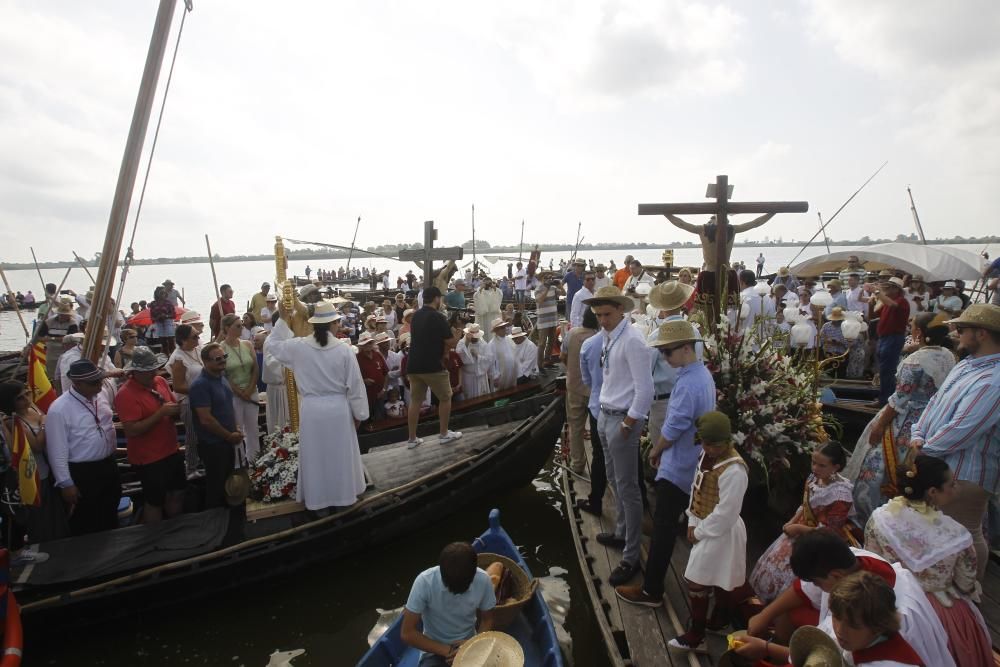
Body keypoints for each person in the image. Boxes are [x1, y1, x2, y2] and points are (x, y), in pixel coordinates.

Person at [746, 530, 955, 667]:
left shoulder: (879, 620)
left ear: (836, 576)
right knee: (786, 614)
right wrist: (765, 616)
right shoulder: (849, 561)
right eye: (835, 617)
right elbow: (803, 591)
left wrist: (765, 650)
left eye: (817, 583)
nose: (838, 628)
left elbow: (832, 653)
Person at [864, 455, 992, 665]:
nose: (956, 487)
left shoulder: (879, 519)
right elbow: (965, 583)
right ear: (933, 492)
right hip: (942, 612)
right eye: (952, 484)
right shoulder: (957, 534)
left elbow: (873, 563)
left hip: (893, 606)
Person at [909, 303, 1000, 581]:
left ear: (981, 334)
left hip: (967, 472)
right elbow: (935, 402)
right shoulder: (967, 365)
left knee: (965, 534)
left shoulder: (994, 379)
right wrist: (918, 434)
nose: (957, 334)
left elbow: (965, 428)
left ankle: (969, 594)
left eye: (962, 329)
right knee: (940, 533)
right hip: (941, 462)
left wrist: (925, 449)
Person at [844, 313, 955, 525]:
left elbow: (899, 400)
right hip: (935, 418)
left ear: (919, 333)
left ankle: (873, 518)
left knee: (878, 468)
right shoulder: (948, 356)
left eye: (912, 326)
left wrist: (879, 425)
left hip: (906, 422)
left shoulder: (913, 362)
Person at [265, 302, 369, 511]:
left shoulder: (298, 346)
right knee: (339, 455)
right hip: (338, 409)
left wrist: (284, 319)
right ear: (334, 324)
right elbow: (355, 386)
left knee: (316, 456)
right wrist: (360, 413)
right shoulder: (344, 350)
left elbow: (273, 344)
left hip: (312, 409)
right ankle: (343, 499)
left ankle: (318, 502)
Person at [583, 285, 653, 587]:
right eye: (598, 315)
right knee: (614, 479)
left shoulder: (634, 340)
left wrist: (628, 423)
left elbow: (646, 389)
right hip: (605, 414)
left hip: (621, 419)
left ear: (621, 310)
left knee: (628, 488)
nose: (602, 320)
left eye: (607, 314)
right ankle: (623, 532)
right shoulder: (611, 337)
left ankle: (630, 555)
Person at [662, 412, 749, 653]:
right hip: (703, 525)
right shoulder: (706, 456)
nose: (706, 448)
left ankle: (697, 634)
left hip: (722, 532)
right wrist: (691, 519)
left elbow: (727, 513)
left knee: (698, 579)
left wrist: (700, 531)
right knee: (718, 576)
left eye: (712, 444)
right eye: (704, 443)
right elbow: (696, 487)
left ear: (726, 442)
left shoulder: (735, 471)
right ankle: (720, 620)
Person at [736, 572, 925, 666]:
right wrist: (764, 647)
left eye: (852, 625)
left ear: (878, 626)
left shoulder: (890, 664)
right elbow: (818, 654)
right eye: (836, 617)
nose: (840, 630)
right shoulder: (858, 638)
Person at [750, 442, 855, 603]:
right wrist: (791, 523)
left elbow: (830, 533)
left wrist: (798, 528)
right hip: (796, 531)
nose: (815, 468)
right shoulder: (814, 478)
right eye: (813, 463)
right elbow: (804, 505)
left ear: (836, 467)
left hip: (816, 543)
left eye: (822, 465)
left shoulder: (841, 494)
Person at [46, 359, 120, 536]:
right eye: (94, 382)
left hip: (108, 464)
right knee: (86, 519)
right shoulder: (59, 409)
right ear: (77, 383)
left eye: (100, 380)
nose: (99, 385)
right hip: (83, 472)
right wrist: (66, 483)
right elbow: (57, 450)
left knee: (110, 509)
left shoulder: (100, 395)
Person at [115, 347, 184, 524]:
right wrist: (160, 414)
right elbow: (131, 430)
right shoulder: (125, 394)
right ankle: (154, 536)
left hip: (171, 450)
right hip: (149, 459)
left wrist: (177, 412)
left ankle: (175, 527)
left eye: (154, 368)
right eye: (147, 371)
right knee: (154, 501)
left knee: (177, 491)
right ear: (135, 372)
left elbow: (172, 407)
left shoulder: (160, 381)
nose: (152, 373)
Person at [400, 542, 496, 666]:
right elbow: (407, 633)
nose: (455, 594)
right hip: (434, 650)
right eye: (450, 586)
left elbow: (487, 620)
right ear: (441, 571)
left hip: (469, 644)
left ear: (473, 576)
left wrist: (473, 644)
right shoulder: (424, 582)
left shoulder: (484, 580)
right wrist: (448, 651)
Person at [0, 381, 68, 543]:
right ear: (10, 402)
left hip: (51, 470)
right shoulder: (13, 421)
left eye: (27, 393)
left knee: (56, 516)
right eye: (19, 398)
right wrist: (45, 423)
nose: (26, 399)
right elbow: (36, 445)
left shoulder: (33, 408)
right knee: (41, 519)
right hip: (35, 475)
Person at [188, 343, 245, 509]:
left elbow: (227, 407)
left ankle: (229, 520)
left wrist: (235, 429)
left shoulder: (222, 377)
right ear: (205, 362)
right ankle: (214, 522)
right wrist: (229, 435)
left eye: (224, 357)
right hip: (213, 445)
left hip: (226, 441)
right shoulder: (200, 385)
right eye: (217, 359)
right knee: (216, 487)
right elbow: (205, 419)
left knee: (227, 483)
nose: (223, 361)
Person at [406, 287, 463, 448]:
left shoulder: (415, 315)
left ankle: (412, 439)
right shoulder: (438, 317)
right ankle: (444, 434)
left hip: (413, 364)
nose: (441, 302)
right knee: (446, 397)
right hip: (432, 365)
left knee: (415, 400)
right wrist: (458, 334)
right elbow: (450, 343)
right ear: (436, 299)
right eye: (441, 299)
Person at [561, 309, 598, 475]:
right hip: (594, 392)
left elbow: (562, 356)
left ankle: (577, 465)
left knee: (575, 428)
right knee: (598, 430)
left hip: (574, 387)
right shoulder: (600, 337)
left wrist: (571, 369)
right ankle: (600, 466)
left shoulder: (572, 333)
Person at [219, 313, 260, 459]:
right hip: (233, 395)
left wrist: (249, 389)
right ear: (227, 328)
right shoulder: (221, 348)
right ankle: (239, 462)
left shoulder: (247, 344)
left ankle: (254, 459)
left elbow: (255, 368)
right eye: (238, 326)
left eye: (242, 324)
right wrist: (238, 392)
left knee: (253, 429)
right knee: (237, 429)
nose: (241, 327)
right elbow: (224, 374)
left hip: (251, 391)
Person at [167, 323, 205, 478]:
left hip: (203, 399)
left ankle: (203, 461)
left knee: (205, 432)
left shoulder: (197, 349)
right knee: (192, 435)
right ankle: (191, 468)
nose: (198, 338)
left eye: (198, 335)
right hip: (188, 401)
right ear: (183, 340)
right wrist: (200, 391)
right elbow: (177, 386)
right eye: (194, 336)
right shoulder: (178, 358)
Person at [874, 276, 911, 406]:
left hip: (893, 338)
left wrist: (878, 292)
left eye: (888, 287)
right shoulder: (888, 301)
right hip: (885, 338)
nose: (885, 289)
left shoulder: (902, 301)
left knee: (887, 370)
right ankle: (884, 399)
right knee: (884, 369)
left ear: (896, 289)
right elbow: (874, 311)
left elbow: (892, 304)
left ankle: (885, 400)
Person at [356, 331, 389, 422]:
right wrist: (364, 380)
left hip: (380, 394)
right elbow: (354, 379)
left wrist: (384, 389)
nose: (368, 345)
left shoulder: (377, 355)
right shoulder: (357, 358)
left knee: (381, 419)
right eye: (366, 343)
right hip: (366, 397)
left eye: (370, 343)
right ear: (361, 346)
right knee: (367, 420)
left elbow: (386, 373)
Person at [456, 323, 492, 400]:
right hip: (468, 377)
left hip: (481, 377)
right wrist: (467, 343)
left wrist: (478, 356)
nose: (474, 339)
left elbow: (489, 359)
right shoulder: (462, 342)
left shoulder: (483, 344)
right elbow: (459, 357)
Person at [533, 271, 562, 368]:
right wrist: (547, 289)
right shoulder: (538, 289)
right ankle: (540, 365)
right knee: (542, 343)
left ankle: (547, 360)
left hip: (553, 319)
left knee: (552, 340)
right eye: (545, 278)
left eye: (549, 278)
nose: (547, 279)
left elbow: (563, 293)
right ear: (541, 279)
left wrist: (559, 284)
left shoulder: (553, 288)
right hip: (543, 320)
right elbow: (540, 300)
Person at [487, 317, 517, 390]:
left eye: (505, 326)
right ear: (496, 330)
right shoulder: (492, 344)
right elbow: (490, 363)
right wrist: (495, 377)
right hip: (500, 377)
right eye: (502, 327)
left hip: (512, 374)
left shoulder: (509, 339)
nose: (505, 328)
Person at [148, 286, 177, 354]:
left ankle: (173, 355)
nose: (163, 294)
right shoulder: (153, 304)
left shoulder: (169, 303)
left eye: (164, 293)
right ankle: (166, 356)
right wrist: (157, 318)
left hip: (168, 321)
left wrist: (166, 316)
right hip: (158, 322)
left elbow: (174, 315)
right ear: (157, 294)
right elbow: (152, 316)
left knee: (171, 341)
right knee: (163, 342)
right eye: (161, 293)